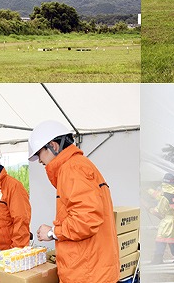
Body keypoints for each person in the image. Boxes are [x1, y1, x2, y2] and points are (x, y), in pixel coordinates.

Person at [29, 120, 120, 283]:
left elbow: (87, 219)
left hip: (87, 273)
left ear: (53, 146)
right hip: (93, 268)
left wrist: (52, 232)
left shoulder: (72, 169)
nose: (39, 160)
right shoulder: (79, 166)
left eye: (39, 153)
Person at [149, 173, 174, 264]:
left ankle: (158, 258)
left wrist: (151, 210)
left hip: (167, 221)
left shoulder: (165, 197)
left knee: (161, 239)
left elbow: (160, 211)